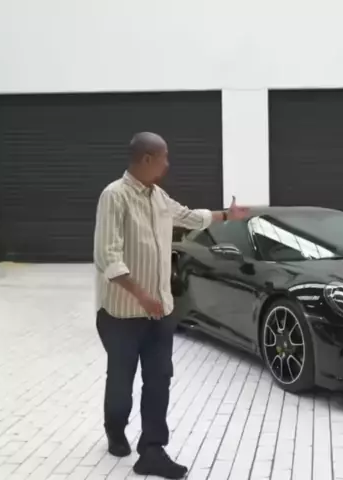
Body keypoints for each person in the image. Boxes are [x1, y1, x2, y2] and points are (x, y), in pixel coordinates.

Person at [93, 132, 249, 479]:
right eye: (164, 157)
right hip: (121, 314)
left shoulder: (158, 196)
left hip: (159, 312)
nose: (168, 164)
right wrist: (140, 294)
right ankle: (115, 427)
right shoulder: (114, 196)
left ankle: (152, 450)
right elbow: (108, 257)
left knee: (159, 379)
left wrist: (227, 215)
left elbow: (189, 216)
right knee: (121, 381)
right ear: (147, 159)